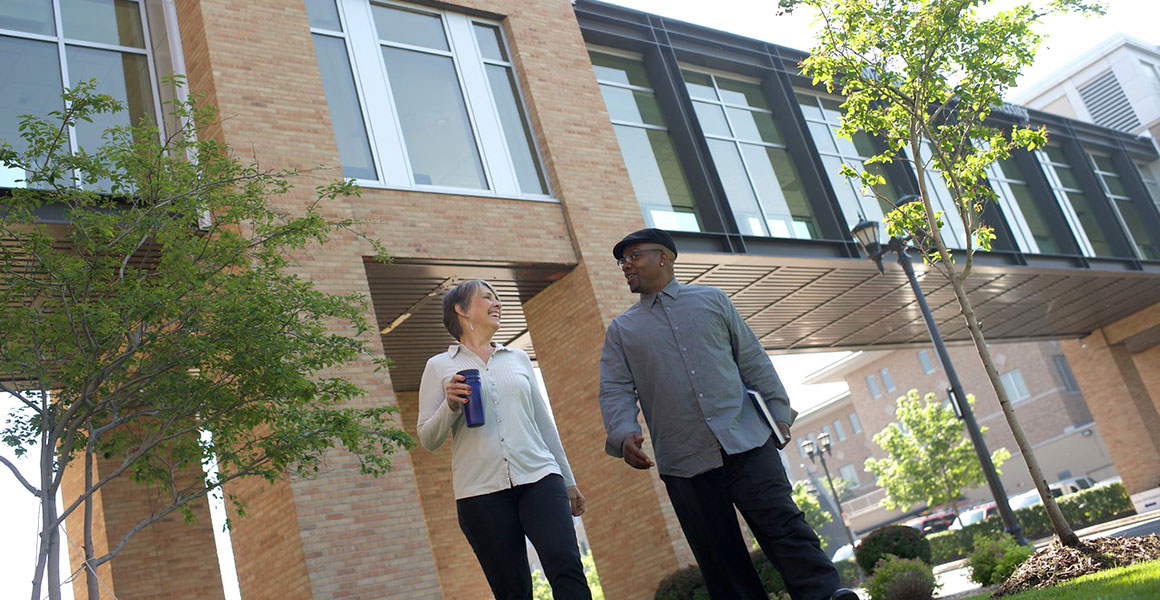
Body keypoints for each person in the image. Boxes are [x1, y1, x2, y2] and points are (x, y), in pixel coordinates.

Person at [598, 228, 857, 600]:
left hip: (747, 439)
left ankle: (826, 596)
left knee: (786, 527)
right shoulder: (622, 331)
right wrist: (624, 432)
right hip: (684, 460)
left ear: (664, 257)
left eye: (634, 256)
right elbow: (615, 389)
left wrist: (778, 411)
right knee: (720, 559)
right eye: (622, 260)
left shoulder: (713, 300)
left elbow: (751, 358)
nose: (626, 265)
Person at [418, 279, 591, 600]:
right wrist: (450, 406)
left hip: (540, 478)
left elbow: (543, 424)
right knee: (512, 589)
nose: (497, 303)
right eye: (487, 298)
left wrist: (568, 480)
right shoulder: (439, 366)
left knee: (566, 566)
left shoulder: (518, 359)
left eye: (497, 298)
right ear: (461, 309)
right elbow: (428, 438)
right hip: (480, 494)